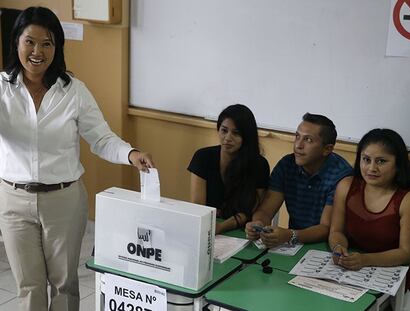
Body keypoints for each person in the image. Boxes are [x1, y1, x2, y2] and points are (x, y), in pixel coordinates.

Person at [0, 7, 154, 311]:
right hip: (14, 201)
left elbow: (101, 138)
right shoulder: (3, 88)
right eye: (30, 41)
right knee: (29, 286)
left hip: (64, 200)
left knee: (64, 285)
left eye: (47, 43)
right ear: (16, 42)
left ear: (57, 49)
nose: (37, 51)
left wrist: (131, 153)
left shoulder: (73, 91)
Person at [329, 129, 410, 310]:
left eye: (381, 161)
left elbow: (407, 252)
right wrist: (338, 248)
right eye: (366, 159)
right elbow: (336, 231)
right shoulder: (346, 186)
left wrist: (365, 260)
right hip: (354, 269)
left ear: (398, 164)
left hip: (397, 275)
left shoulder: (408, 199)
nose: (371, 168)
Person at [245, 113, 352, 248]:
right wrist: (258, 223)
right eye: (297, 137)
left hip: (327, 246)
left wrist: (290, 235)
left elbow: (326, 228)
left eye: (308, 140)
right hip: (294, 244)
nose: (298, 145)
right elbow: (266, 210)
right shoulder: (286, 165)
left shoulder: (341, 175)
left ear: (327, 149)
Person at [188, 104, 270, 234]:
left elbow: (251, 211)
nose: (227, 138)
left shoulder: (259, 165)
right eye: (224, 130)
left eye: (236, 133)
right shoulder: (203, 157)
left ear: (247, 137)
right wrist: (210, 228)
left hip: (241, 231)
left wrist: (222, 227)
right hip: (206, 228)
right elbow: (197, 207)